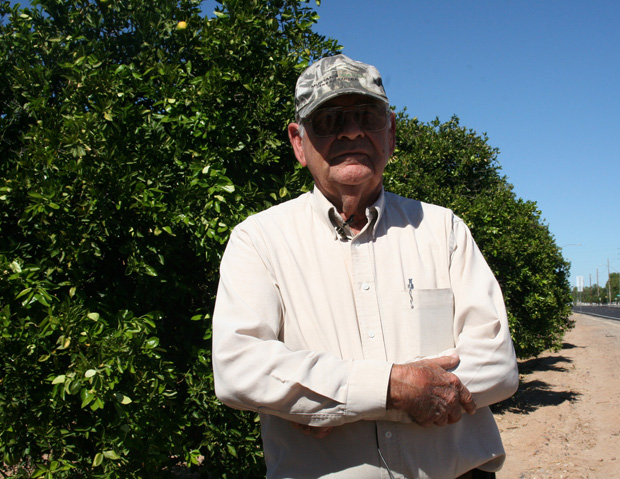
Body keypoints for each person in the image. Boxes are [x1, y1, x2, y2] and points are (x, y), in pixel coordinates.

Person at [212, 54, 519, 479]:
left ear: (390, 134)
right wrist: (395, 389)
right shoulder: (259, 240)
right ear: (299, 142)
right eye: (329, 120)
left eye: (367, 117)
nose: (352, 130)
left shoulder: (443, 229)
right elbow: (239, 370)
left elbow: (498, 367)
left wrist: (332, 403)